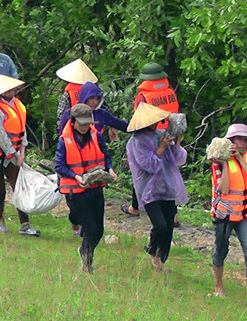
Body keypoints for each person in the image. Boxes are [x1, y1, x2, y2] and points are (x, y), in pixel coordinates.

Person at [59, 81, 128, 236]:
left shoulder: (101, 115)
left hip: (94, 165)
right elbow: (63, 137)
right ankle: (76, 222)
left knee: (93, 205)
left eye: (98, 99)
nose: (95, 102)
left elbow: (120, 124)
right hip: (73, 165)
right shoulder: (70, 114)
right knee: (75, 206)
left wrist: (141, 127)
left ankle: (88, 235)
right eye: (92, 99)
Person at [54, 103, 117, 272]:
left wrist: (110, 170)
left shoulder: (97, 136)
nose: (84, 127)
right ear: (72, 122)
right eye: (81, 123)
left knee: (99, 231)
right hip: (76, 192)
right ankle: (86, 264)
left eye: (87, 123)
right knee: (91, 228)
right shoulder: (64, 141)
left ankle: (84, 250)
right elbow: (59, 166)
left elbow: (106, 156)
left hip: (95, 188)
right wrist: (76, 176)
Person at [126, 102, 188, 271]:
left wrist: (177, 141)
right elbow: (148, 165)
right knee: (159, 225)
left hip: (167, 187)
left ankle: (159, 259)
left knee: (168, 227)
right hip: (148, 190)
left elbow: (178, 158)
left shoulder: (161, 134)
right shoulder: (136, 142)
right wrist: (161, 148)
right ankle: (153, 250)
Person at [208, 123, 247, 310]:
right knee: (221, 249)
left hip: (245, 212)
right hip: (225, 214)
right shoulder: (218, 161)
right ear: (230, 141)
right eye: (237, 139)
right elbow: (223, 189)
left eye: (244, 140)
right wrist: (225, 164)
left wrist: (240, 160)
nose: (240, 143)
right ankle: (218, 286)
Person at [0, 74, 39, 236]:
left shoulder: (17, 105)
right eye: (9, 89)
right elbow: (1, 137)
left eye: (13, 89)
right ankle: (0, 222)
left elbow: (22, 130)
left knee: (18, 188)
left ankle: (25, 225)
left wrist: (22, 151)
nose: (12, 91)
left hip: (14, 154)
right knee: (0, 189)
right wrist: (14, 155)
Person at [124, 62, 180, 218]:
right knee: (169, 173)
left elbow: (139, 119)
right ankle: (173, 214)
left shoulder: (143, 96)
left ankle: (137, 207)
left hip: (150, 136)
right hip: (169, 135)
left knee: (142, 172)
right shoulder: (170, 92)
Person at [55, 58, 98, 133]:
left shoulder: (68, 93)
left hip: (73, 128)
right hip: (92, 128)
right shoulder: (92, 91)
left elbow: (61, 114)